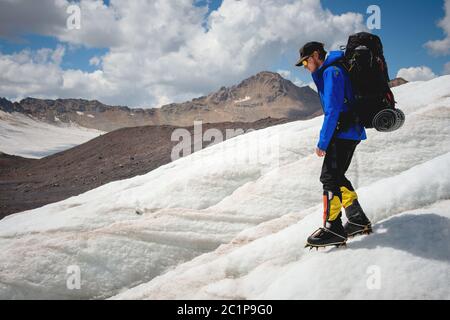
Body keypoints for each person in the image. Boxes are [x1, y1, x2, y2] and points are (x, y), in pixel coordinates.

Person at [295, 41, 372, 248]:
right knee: (336, 176)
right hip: (349, 131)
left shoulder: (332, 72)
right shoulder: (330, 71)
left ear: (315, 55)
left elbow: (333, 110)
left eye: (305, 62)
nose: (305, 67)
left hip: (343, 132)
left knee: (329, 177)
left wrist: (323, 142)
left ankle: (333, 228)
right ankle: (357, 220)